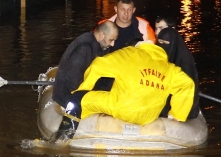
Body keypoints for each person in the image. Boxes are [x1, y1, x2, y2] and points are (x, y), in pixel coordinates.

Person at [68, 41, 197, 126]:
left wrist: (84, 89)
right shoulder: (169, 68)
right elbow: (187, 84)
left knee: (77, 99)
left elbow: (98, 64)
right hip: (149, 116)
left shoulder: (128, 54)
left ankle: (65, 135)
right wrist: (177, 114)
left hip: (122, 108)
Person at [52, 21, 117, 108]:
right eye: (111, 40)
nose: (113, 44)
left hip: (84, 91)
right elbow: (73, 83)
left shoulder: (102, 46)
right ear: (101, 35)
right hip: (67, 97)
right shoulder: (84, 48)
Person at [154, 19, 201, 119]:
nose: (163, 46)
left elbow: (188, 87)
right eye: (160, 43)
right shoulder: (158, 54)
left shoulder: (185, 61)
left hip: (182, 102)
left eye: (165, 43)